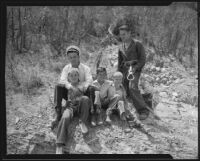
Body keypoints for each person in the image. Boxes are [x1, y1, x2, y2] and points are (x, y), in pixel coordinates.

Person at [51, 45, 96, 153]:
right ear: (68, 58)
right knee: (58, 86)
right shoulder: (66, 68)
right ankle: (59, 143)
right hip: (70, 97)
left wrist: (80, 87)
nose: (72, 59)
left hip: (82, 92)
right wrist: (71, 87)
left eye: (74, 56)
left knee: (90, 91)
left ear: (79, 56)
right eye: (70, 57)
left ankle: (86, 119)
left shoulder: (85, 68)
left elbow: (90, 80)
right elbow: (62, 80)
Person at [113, 21, 150, 120]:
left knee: (132, 87)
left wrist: (135, 68)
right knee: (121, 88)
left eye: (124, 34)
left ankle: (143, 110)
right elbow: (120, 61)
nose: (122, 37)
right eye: (121, 35)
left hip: (135, 70)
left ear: (129, 33)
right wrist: (118, 74)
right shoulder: (121, 46)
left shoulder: (138, 44)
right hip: (125, 70)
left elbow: (142, 60)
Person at [56, 68, 89, 154]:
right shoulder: (67, 85)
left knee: (85, 98)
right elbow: (60, 83)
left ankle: (82, 122)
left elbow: (88, 85)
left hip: (80, 106)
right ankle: (59, 144)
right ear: (68, 77)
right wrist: (69, 85)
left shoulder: (82, 84)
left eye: (75, 75)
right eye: (71, 75)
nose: (73, 77)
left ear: (78, 76)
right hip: (70, 107)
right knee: (65, 117)